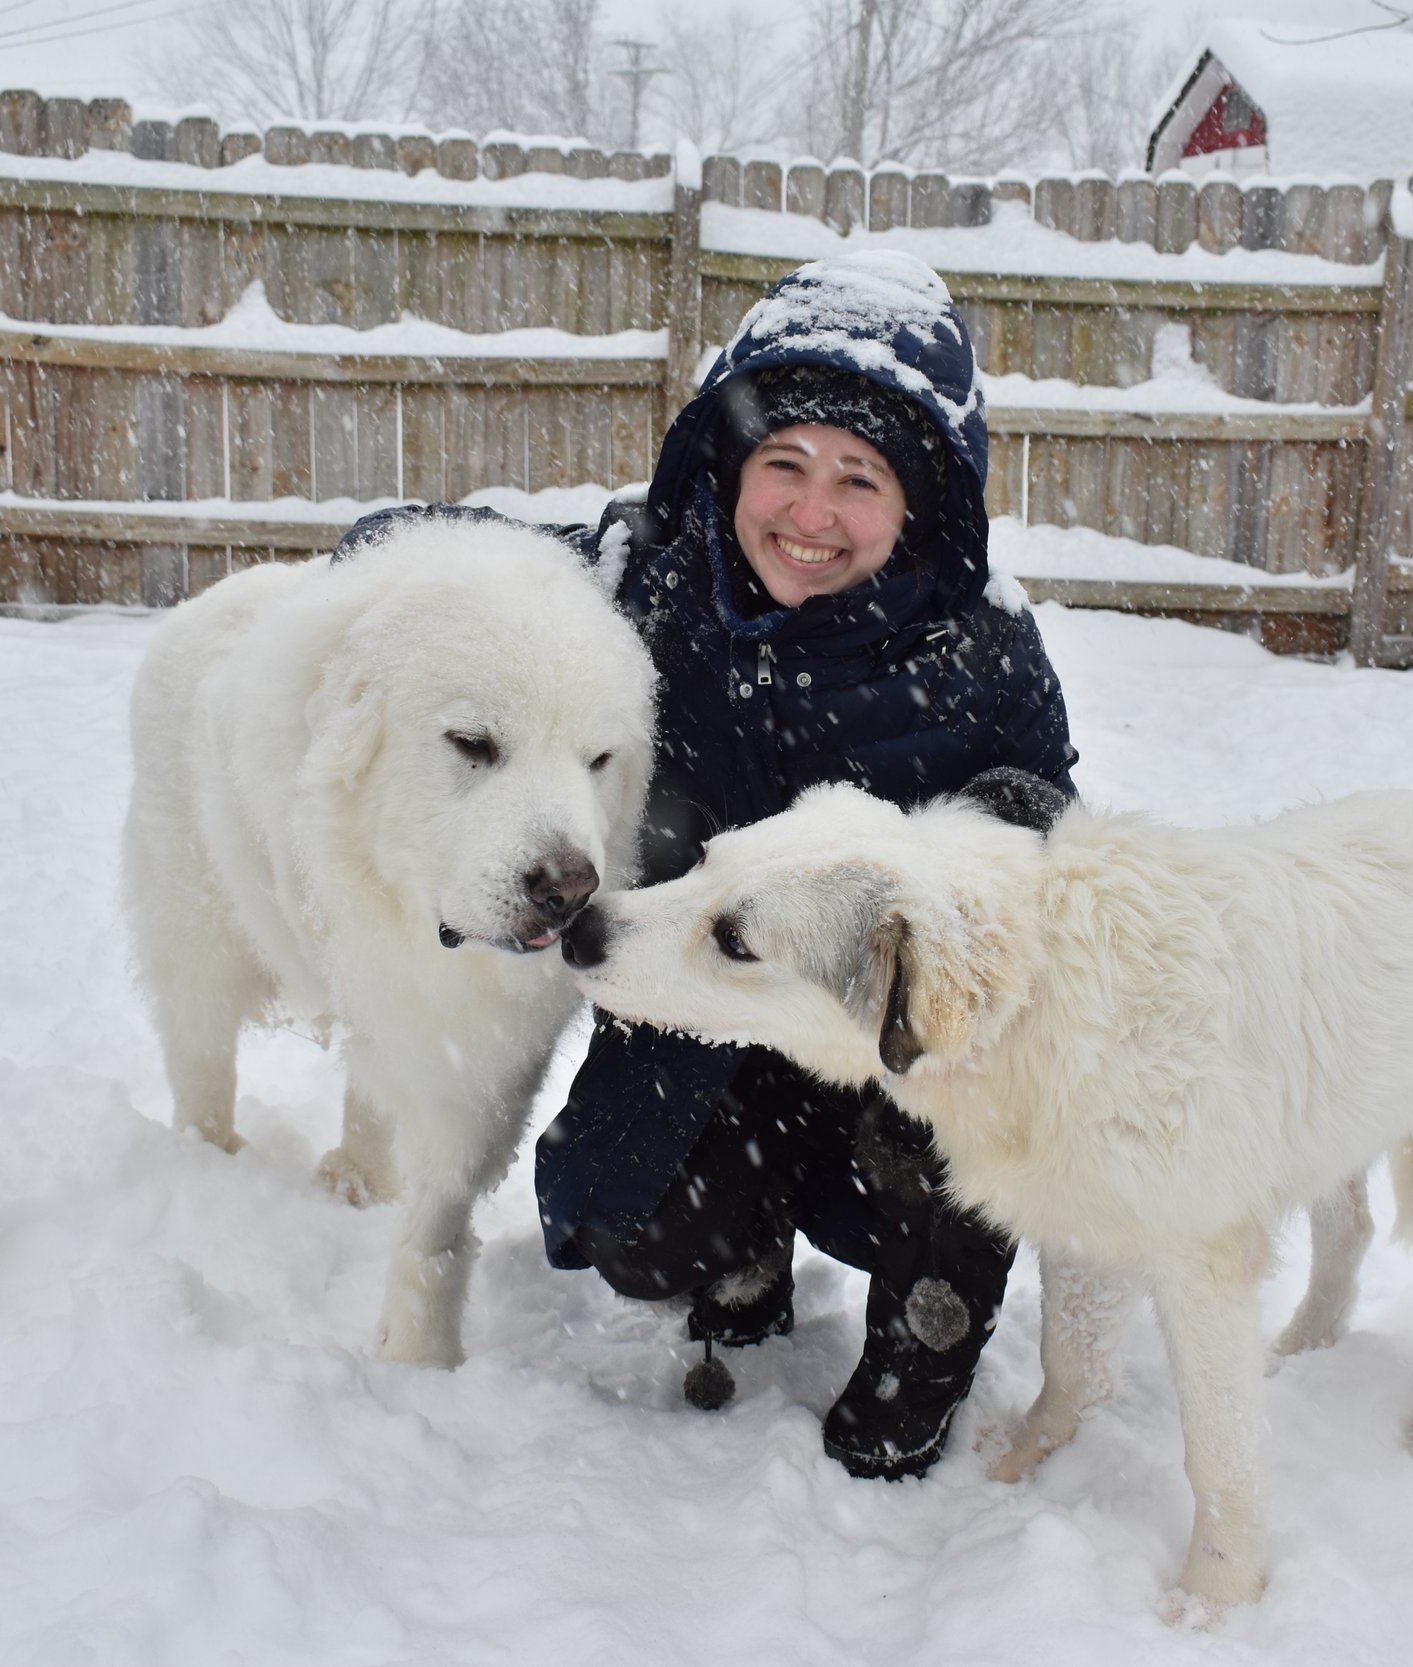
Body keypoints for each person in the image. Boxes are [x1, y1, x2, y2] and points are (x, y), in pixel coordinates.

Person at [342, 250, 1077, 1479]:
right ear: (727, 466)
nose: (809, 511)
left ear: (919, 502)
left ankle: (924, 1345)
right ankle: (740, 1255)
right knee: (630, 1217)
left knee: (948, 1137)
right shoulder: (650, 581)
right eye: (781, 463)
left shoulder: (979, 646)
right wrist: (396, 577)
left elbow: (1038, 812)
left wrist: (952, 858)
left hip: (882, 1030)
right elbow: (437, 552)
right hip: (704, 997)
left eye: (860, 479)